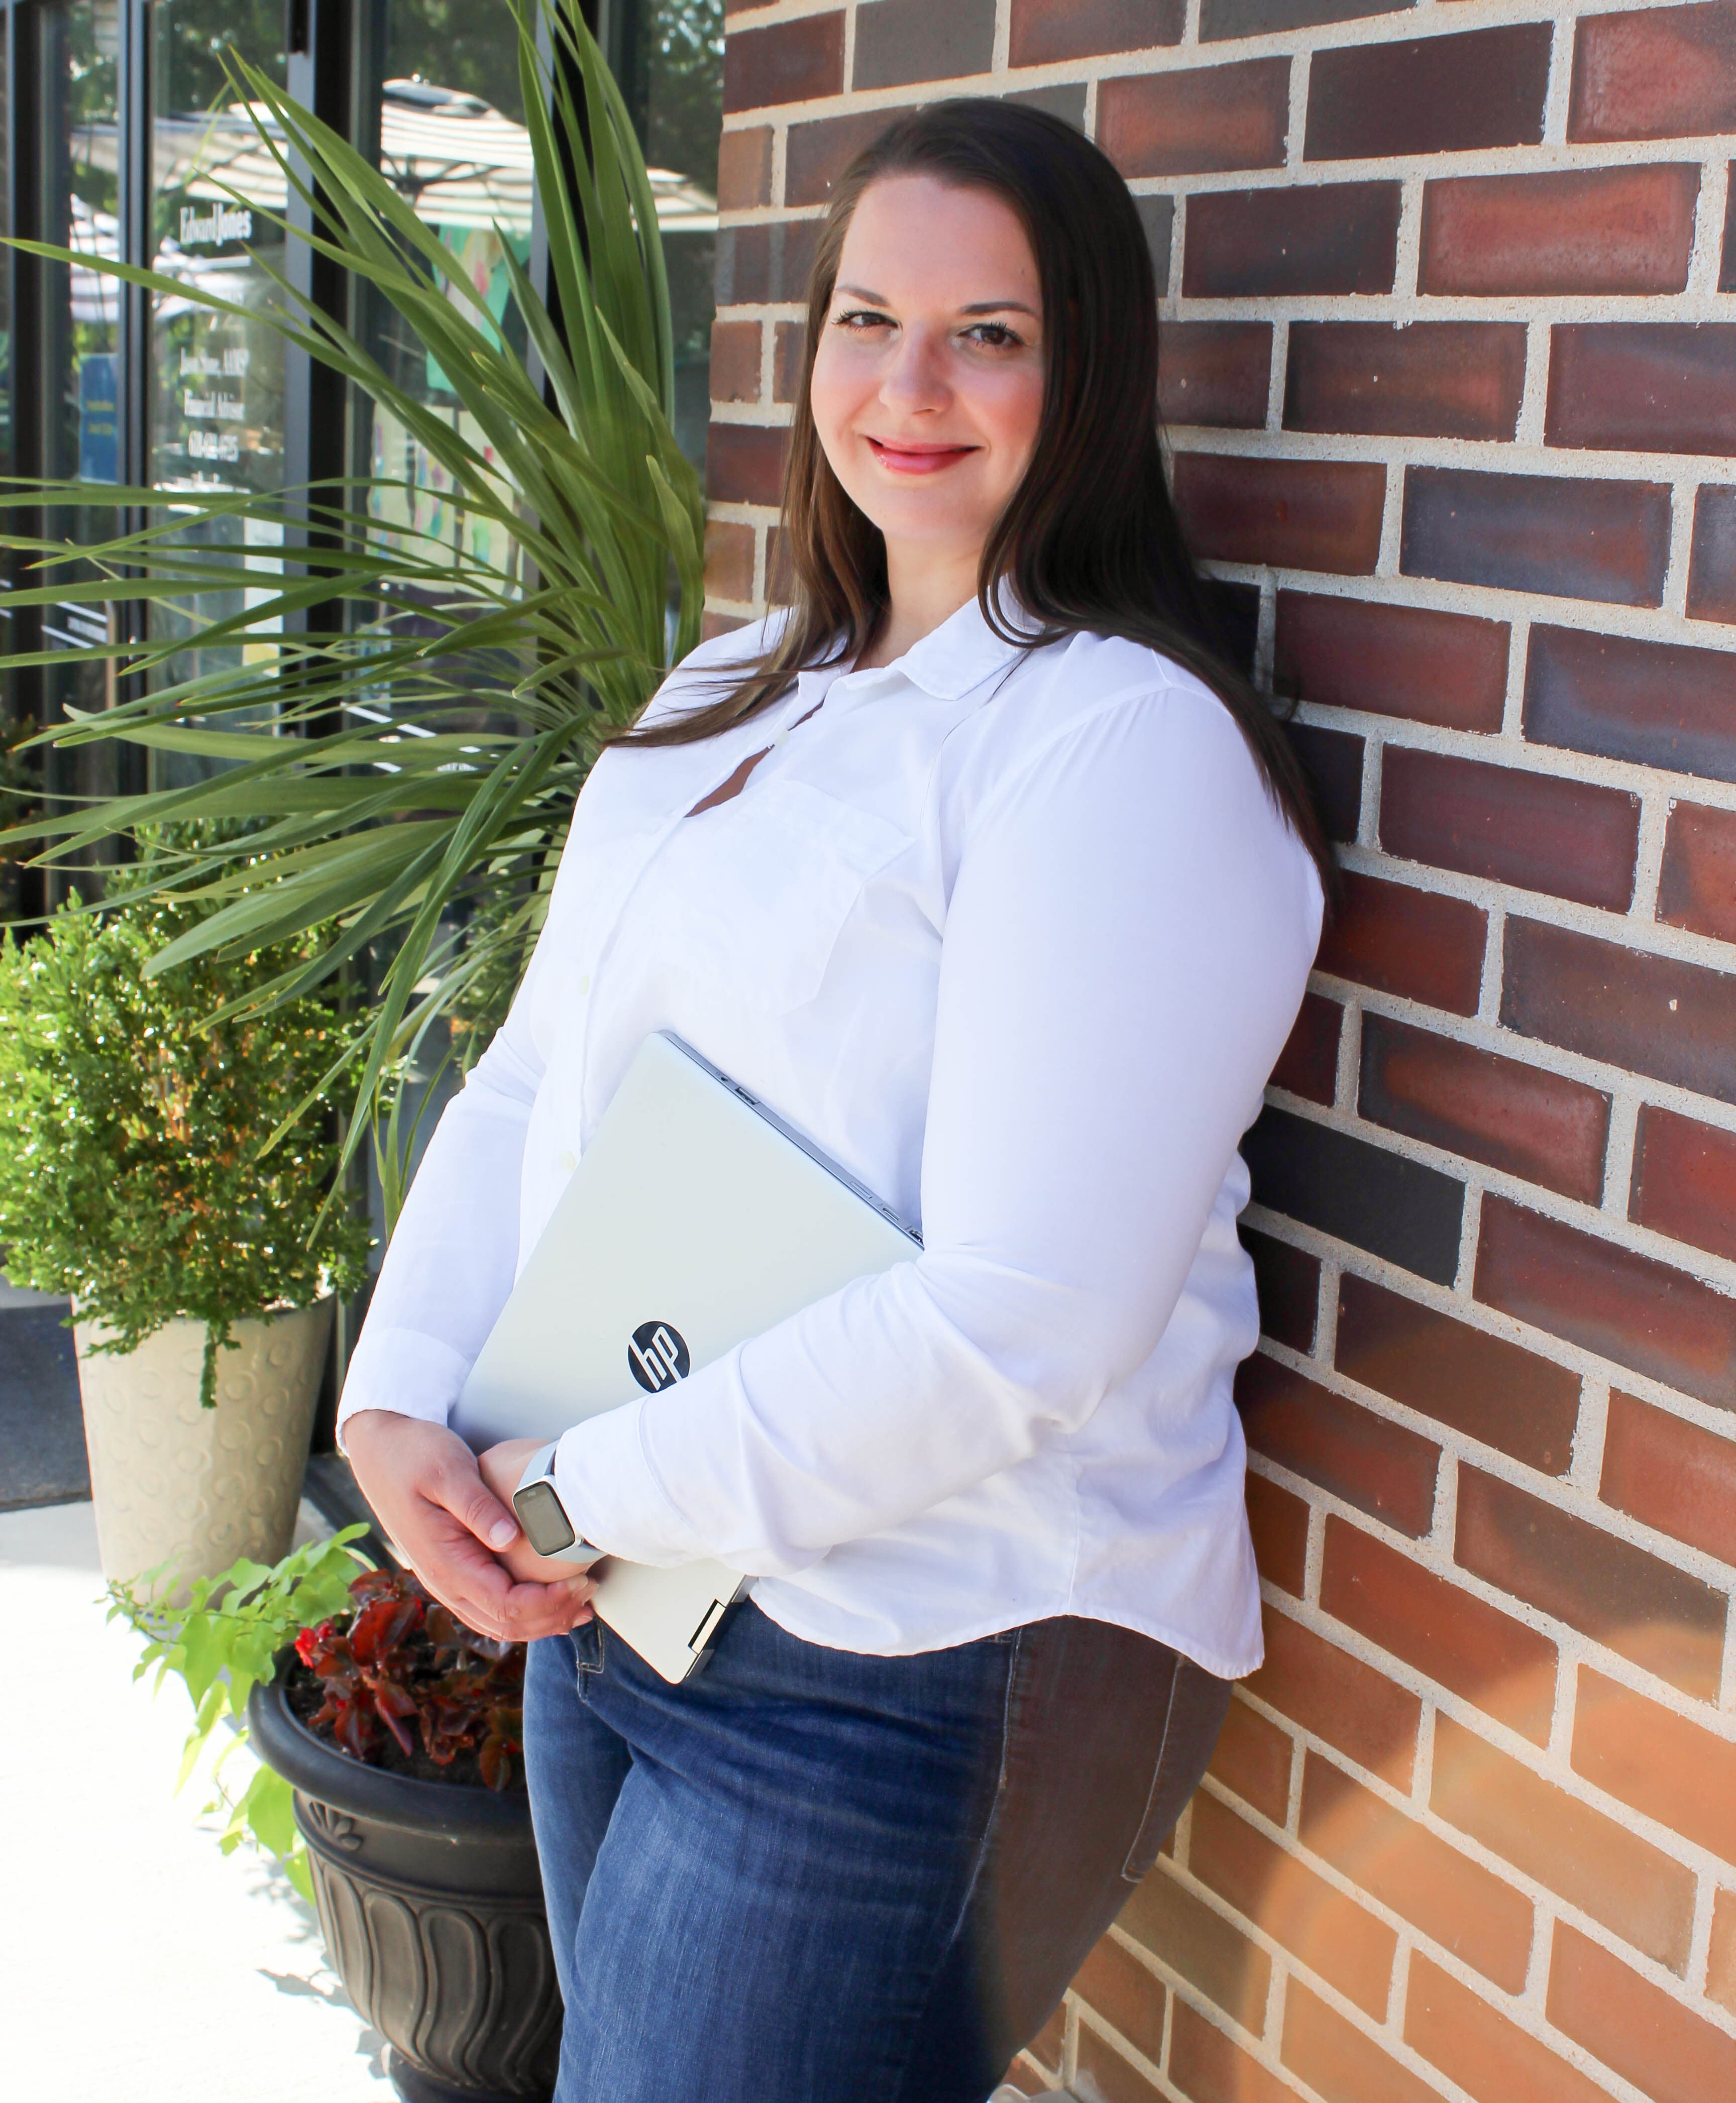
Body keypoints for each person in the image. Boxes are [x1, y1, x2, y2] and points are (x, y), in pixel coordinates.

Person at [340, 98, 1329, 2103]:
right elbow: (541, 1071)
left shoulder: (1111, 743)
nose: (912, 384)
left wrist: (569, 1491)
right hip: (624, 1590)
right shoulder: (732, 694)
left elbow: (1028, 1310)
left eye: (991, 332)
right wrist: (396, 1398)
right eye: (870, 316)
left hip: (916, 1661)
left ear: (1095, 372)